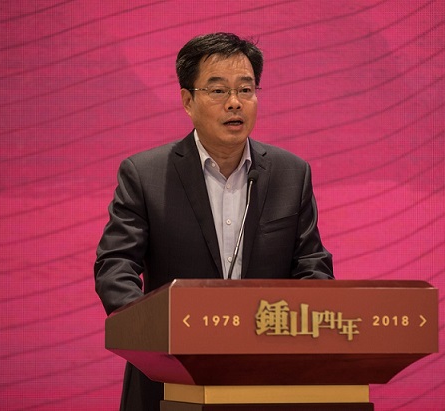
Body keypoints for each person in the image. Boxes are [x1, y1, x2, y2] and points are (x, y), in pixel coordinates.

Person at [94, 32, 334, 411]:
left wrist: (302, 332)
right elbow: (115, 266)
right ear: (188, 100)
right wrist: (151, 333)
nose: (235, 102)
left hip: (267, 376)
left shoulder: (291, 173)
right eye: (218, 90)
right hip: (169, 377)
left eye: (246, 89)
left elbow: (312, 266)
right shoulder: (146, 175)